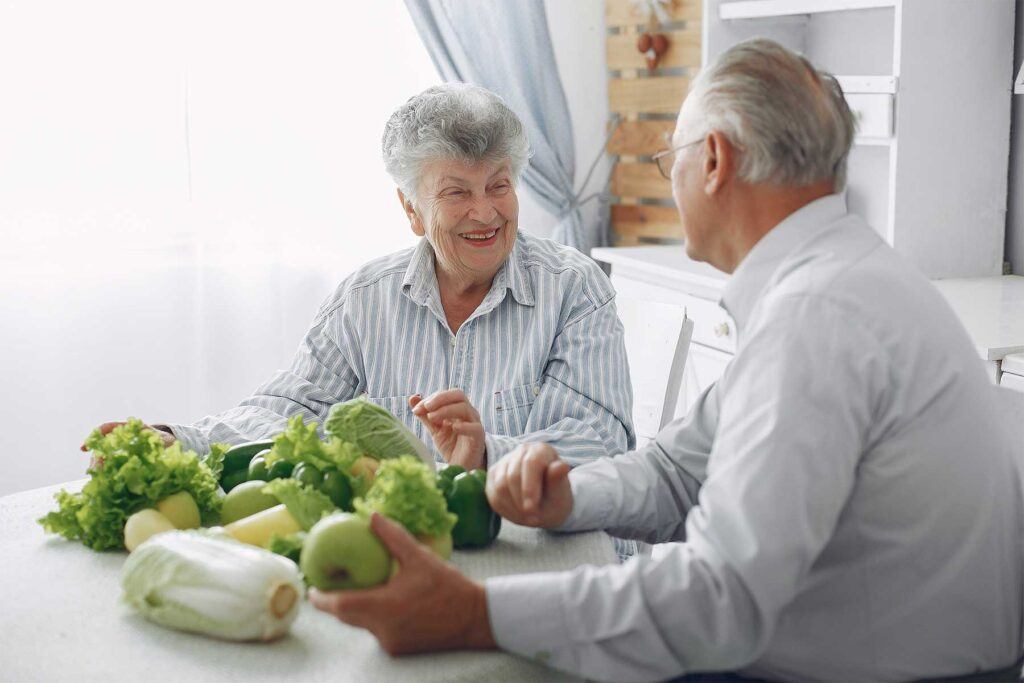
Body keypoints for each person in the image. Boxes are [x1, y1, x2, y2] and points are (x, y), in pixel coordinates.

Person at [309, 39, 1024, 682]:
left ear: (711, 161)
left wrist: (475, 611)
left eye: (669, 158)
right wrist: (569, 497)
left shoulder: (817, 316)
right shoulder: (837, 280)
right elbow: (679, 468)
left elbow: (720, 599)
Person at [88, 83, 634, 470]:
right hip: (409, 552)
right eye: (456, 193)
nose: (486, 212)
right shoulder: (364, 298)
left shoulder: (574, 290)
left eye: (498, 184)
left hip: (536, 552)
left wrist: (488, 452)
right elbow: (292, 410)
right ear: (412, 209)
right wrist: (179, 441)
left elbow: (598, 443)